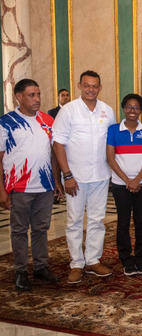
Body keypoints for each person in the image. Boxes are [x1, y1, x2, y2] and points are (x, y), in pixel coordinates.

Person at [53, 70, 116, 284]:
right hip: (75, 178)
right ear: (80, 86)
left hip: (100, 175)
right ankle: (76, 263)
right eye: (87, 85)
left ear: (100, 87)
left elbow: (111, 144)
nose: (91, 89)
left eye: (95, 86)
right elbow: (58, 144)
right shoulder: (68, 111)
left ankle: (92, 260)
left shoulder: (107, 111)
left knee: (97, 220)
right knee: (74, 220)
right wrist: (67, 175)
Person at [0, 79, 61, 290]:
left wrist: (56, 180)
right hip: (19, 187)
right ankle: (21, 271)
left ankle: (41, 267)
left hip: (44, 186)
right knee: (18, 230)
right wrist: (2, 191)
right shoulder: (6, 122)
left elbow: (53, 153)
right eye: (31, 95)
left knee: (41, 228)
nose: (37, 99)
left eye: (38, 94)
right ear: (19, 97)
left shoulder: (47, 120)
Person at [106, 93, 142, 276]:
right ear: (124, 109)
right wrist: (127, 181)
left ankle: (141, 259)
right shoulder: (113, 130)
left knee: (141, 221)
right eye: (129, 107)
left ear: (141, 110)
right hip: (120, 185)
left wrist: (137, 180)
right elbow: (110, 158)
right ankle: (126, 259)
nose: (132, 110)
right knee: (123, 222)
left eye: (136, 107)